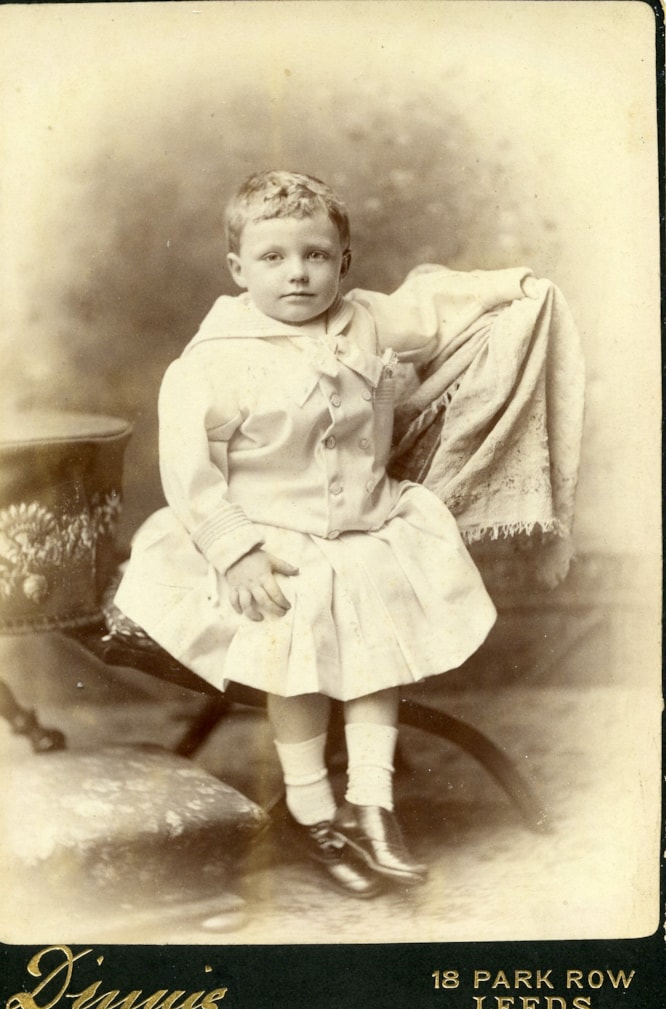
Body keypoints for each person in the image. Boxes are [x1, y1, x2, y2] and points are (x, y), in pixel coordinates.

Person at [115, 170, 542, 899]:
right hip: (270, 538)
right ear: (238, 267)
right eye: (274, 258)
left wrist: (518, 284)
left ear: (343, 262)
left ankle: (373, 804)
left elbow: (435, 305)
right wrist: (238, 550)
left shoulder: (366, 320)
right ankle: (313, 812)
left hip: (365, 527)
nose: (298, 274)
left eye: (316, 255)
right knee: (299, 637)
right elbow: (191, 473)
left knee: (375, 628)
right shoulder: (215, 358)